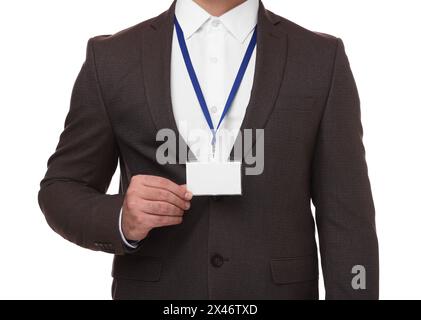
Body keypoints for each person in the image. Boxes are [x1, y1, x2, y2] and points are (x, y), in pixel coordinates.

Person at [38, 0, 379, 299]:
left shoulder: (320, 58)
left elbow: (348, 217)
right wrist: (121, 219)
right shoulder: (112, 58)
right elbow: (61, 189)